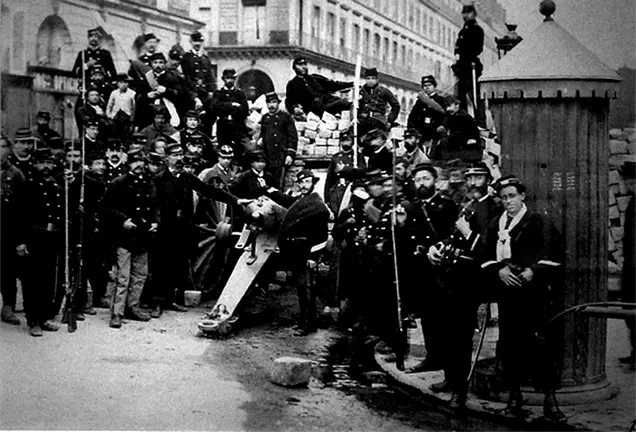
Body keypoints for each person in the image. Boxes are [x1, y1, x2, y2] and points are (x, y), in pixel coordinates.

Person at [481, 175, 565, 421]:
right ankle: (514, 396)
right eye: (504, 197)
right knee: (510, 345)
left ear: (522, 196)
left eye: (512, 196)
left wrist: (534, 271)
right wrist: (499, 270)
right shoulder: (497, 223)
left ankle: (550, 400)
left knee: (542, 346)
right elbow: (485, 255)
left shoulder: (539, 222)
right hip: (509, 296)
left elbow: (556, 253)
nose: (509, 201)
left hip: (535, 296)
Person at [426, 162, 502, 408]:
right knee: (446, 330)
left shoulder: (494, 208)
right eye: (469, 178)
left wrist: (468, 233)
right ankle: (450, 377)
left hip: (473, 279)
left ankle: (460, 389)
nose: (472, 183)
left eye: (478, 178)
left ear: (488, 179)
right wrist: (436, 248)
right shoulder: (467, 205)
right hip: (452, 275)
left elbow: (490, 248)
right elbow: (452, 235)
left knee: (460, 335)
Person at [152, 142, 250, 318]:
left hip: (183, 228)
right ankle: (158, 302)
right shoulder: (159, 179)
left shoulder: (187, 177)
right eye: (175, 155)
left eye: (181, 154)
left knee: (179, 264)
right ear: (167, 158)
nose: (179, 158)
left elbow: (209, 190)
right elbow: (153, 204)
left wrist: (235, 200)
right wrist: (157, 222)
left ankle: (173, 299)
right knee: (162, 264)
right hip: (166, 228)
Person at [405, 163, 458, 374]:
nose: (422, 184)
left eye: (426, 179)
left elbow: (453, 234)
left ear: (435, 181)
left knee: (443, 315)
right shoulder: (412, 207)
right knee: (427, 315)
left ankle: (447, 358)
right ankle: (433, 356)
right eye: (418, 180)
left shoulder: (447, 206)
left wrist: (437, 248)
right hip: (421, 269)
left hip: (441, 267)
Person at [101, 147, 159, 328]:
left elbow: (155, 204)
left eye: (142, 161)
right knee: (122, 277)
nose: (139, 165)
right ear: (128, 163)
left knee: (140, 276)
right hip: (124, 236)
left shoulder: (149, 182)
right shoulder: (118, 183)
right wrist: (122, 220)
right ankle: (117, 313)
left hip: (143, 236)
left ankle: (133, 307)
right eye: (135, 161)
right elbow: (106, 208)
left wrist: (156, 221)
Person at [278, 169, 331, 336]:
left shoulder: (317, 205)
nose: (303, 185)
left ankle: (308, 325)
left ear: (312, 184)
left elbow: (321, 235)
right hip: (296, 250)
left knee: (306, 288)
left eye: (307, 182)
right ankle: (306, 322)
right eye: (301, 182)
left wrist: (313, 257)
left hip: (307, 252)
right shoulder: (300, 201)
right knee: (301, 289)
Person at [21, 148, 65, 337]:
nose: (46, 166)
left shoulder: (57, 187)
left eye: (49, 163)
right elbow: (19, 217)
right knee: (32, 281)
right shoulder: (28, 186)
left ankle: (46, 316)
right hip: (34, 237)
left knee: (49, 280)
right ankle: (33, 320)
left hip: (52, 238)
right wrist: (21, 242)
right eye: (42, 162)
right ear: (34, 163)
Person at [1, 135, 26, 325]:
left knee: (8, 270)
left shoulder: (16, 174)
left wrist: (19, 237)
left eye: (3, 147)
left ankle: (8, 307)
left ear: (9, 150)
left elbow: (22, 207)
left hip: (7, 229)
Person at [284, 56, 353, 117]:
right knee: (341, 104)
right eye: (300, 65)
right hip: (314, 109)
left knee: (344, 104)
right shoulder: (292, 84)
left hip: (329, 101)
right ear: (294, 68)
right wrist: (294, 108)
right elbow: (289, 102)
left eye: (305, 64)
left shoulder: (315, 77)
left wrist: (351, 84)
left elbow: (333, 84)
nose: (304, 67)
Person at [136, 52, 186, 129]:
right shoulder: (147, 78)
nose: (158, 65)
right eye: (155, 63)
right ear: (151, 64)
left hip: (168, 110)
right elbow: (137, 96)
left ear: (165, 64)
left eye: (161, 62)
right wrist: (147, 95)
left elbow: (180, 94)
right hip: (150, 111)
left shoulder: (172, 77)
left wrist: (166, 90)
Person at [324, 128, 366, 216]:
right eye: (343, 140)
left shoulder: (357, 156)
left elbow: (362, 172)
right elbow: (329, 179)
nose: (345, 143)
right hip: (337, 192)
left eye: (348, 140)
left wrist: (345, 169)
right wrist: (327, 198)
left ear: (352, 141)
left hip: (350, 190)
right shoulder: (336, 158)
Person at [260, 92, 298, 189]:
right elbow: (263, 134)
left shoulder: (285, 117)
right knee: (267, 185)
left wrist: (290, 154)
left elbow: (293, 137)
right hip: (267, 157)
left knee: (278, 186)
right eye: (269, 103)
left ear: (278, 103)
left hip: (280, 157)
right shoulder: (265, 118)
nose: (271, 105)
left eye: (274, 102)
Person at [211, 68, 249, 162]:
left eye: (232, 78)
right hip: (223, 128)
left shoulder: (240, 93)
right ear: (223, 79)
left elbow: (244, 110)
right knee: (223, 152)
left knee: (239, 153)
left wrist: (225, 108)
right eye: (228, 78)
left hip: (238, 128)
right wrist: (232, 105)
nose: (230, 80)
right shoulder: (218, 93)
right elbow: (215, 108)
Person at [453, 4, 484, 113]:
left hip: (472, 65)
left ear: (474, 14)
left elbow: (478, 48)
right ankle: (462, 118)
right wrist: (457, 60)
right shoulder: (462, 31)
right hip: (462, 67)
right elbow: (457, 48)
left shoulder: (477, 30)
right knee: (460, 96)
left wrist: (466, 56)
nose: (465, 15)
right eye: (464, 13)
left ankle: (480, 121)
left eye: (468, 13)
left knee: (475, 95)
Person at [432, 95, 481, 164]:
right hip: (456, 143)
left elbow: (466, 133)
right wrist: (443, 127)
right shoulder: (450, 115)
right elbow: (446, 123)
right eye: (446, 106)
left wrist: (446, 140)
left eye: (449, 106)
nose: (447, 109)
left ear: (457, 105)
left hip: (467, 146)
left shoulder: (464, 117)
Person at [620, 160, 636, 369]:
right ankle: (634, 352)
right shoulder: (633, 202)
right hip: (631, 266)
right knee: (628, 308)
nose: (631, 188)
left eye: (633, 183)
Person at [180, 31, 216, 115]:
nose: (197, 44)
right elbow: (186, 78)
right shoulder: (186, 57)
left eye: (199, 42)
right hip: (191, 94)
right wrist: (194, 96)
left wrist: (211, 91)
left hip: (205, 94)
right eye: (195, 41)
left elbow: (210, 76)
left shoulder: (205, 58)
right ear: (191, 42)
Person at [358, 67, 400, 136]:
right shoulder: (360, 91)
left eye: (373, 78)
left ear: (377, 79)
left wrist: (390, 121)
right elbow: (354, 105)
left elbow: (396, 105)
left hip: (378, 121)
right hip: (363, 121)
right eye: (368, 78)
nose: (370, 81)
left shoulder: (383, 91)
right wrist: (354, 118)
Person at [407, 75, 446, 144]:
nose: (427, 87)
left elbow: (446, 115)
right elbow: (412, 116)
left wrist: (443, 126)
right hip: (422, 133)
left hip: (435, 133)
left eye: (429, 85)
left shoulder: (441, 100)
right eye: (425, 86)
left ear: (434, 86)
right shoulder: (420, 101)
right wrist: (411, 129)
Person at [106, 74, 136, 141]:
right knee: (114, 133)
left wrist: (132, 120)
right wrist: (109, 115)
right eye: (121, 82)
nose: (123, 84)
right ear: (117, 83)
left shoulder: (132, 93)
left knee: (125, 134)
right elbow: (109, 105)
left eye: (125, 82)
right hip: (115, 116)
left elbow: (133, 108)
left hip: (127, 116)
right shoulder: (114, 93)